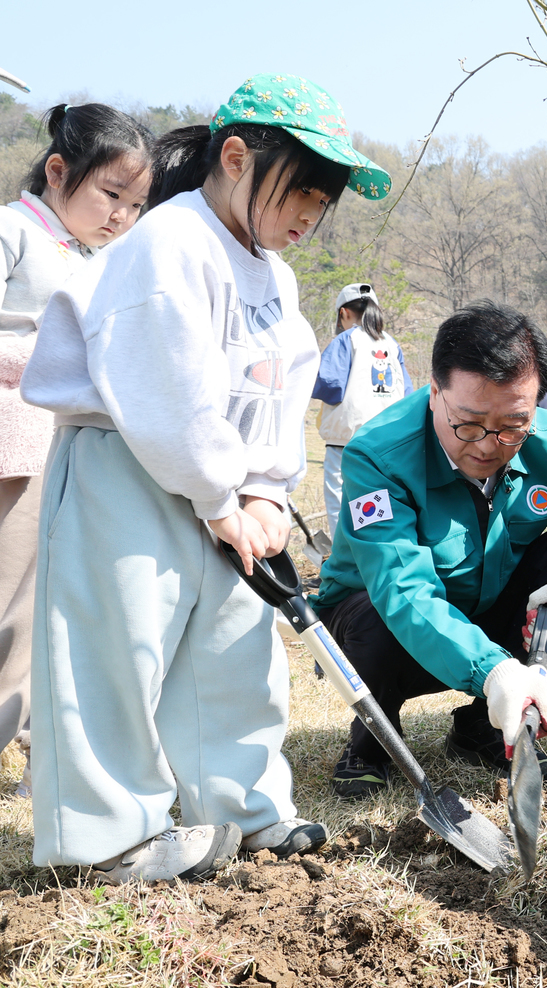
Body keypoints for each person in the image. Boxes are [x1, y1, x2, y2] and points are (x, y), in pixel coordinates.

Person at [20, 73, 390, 883]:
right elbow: (166, 388)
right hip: (127, 465)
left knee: (235, 649)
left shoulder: (278, 277)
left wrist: (262, 489)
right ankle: (106, 838)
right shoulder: (170, 241)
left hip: (219, 488)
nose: (307, 219)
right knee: (116, 648)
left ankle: (246, 807)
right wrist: (223, 496)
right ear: (235, 157)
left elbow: (280, 389)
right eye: (300, 193)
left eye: (322, 205)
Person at [309, 300, 547, 799]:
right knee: (374, 616)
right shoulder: (379, 455)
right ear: (434, 394)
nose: (489, 445)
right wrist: (493, 671)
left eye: (514, 425)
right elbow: (403, 591)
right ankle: (372, 743)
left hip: (484, 605)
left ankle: (484, 730)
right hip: (384, 623)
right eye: (468, 423)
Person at [0, 104, 152, 797]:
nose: (121, 214)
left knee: (45, 602)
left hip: (62, 448)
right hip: (12, 442)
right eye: (110, 195)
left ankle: (40, 744)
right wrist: (30, 358)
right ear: (58, 172)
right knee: (11, 601)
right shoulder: (13, 231)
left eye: (135, 204)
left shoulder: (94, 257)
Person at [313, 282, 413, 538]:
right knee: (372, 504)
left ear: (344, 313)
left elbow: (328, 385)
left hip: (346, 440)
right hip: (385, 442)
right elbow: (407, 395)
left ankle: (344, 563)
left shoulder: (347, 340)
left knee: (340, 503)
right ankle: (370, 556)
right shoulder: (392, 344)